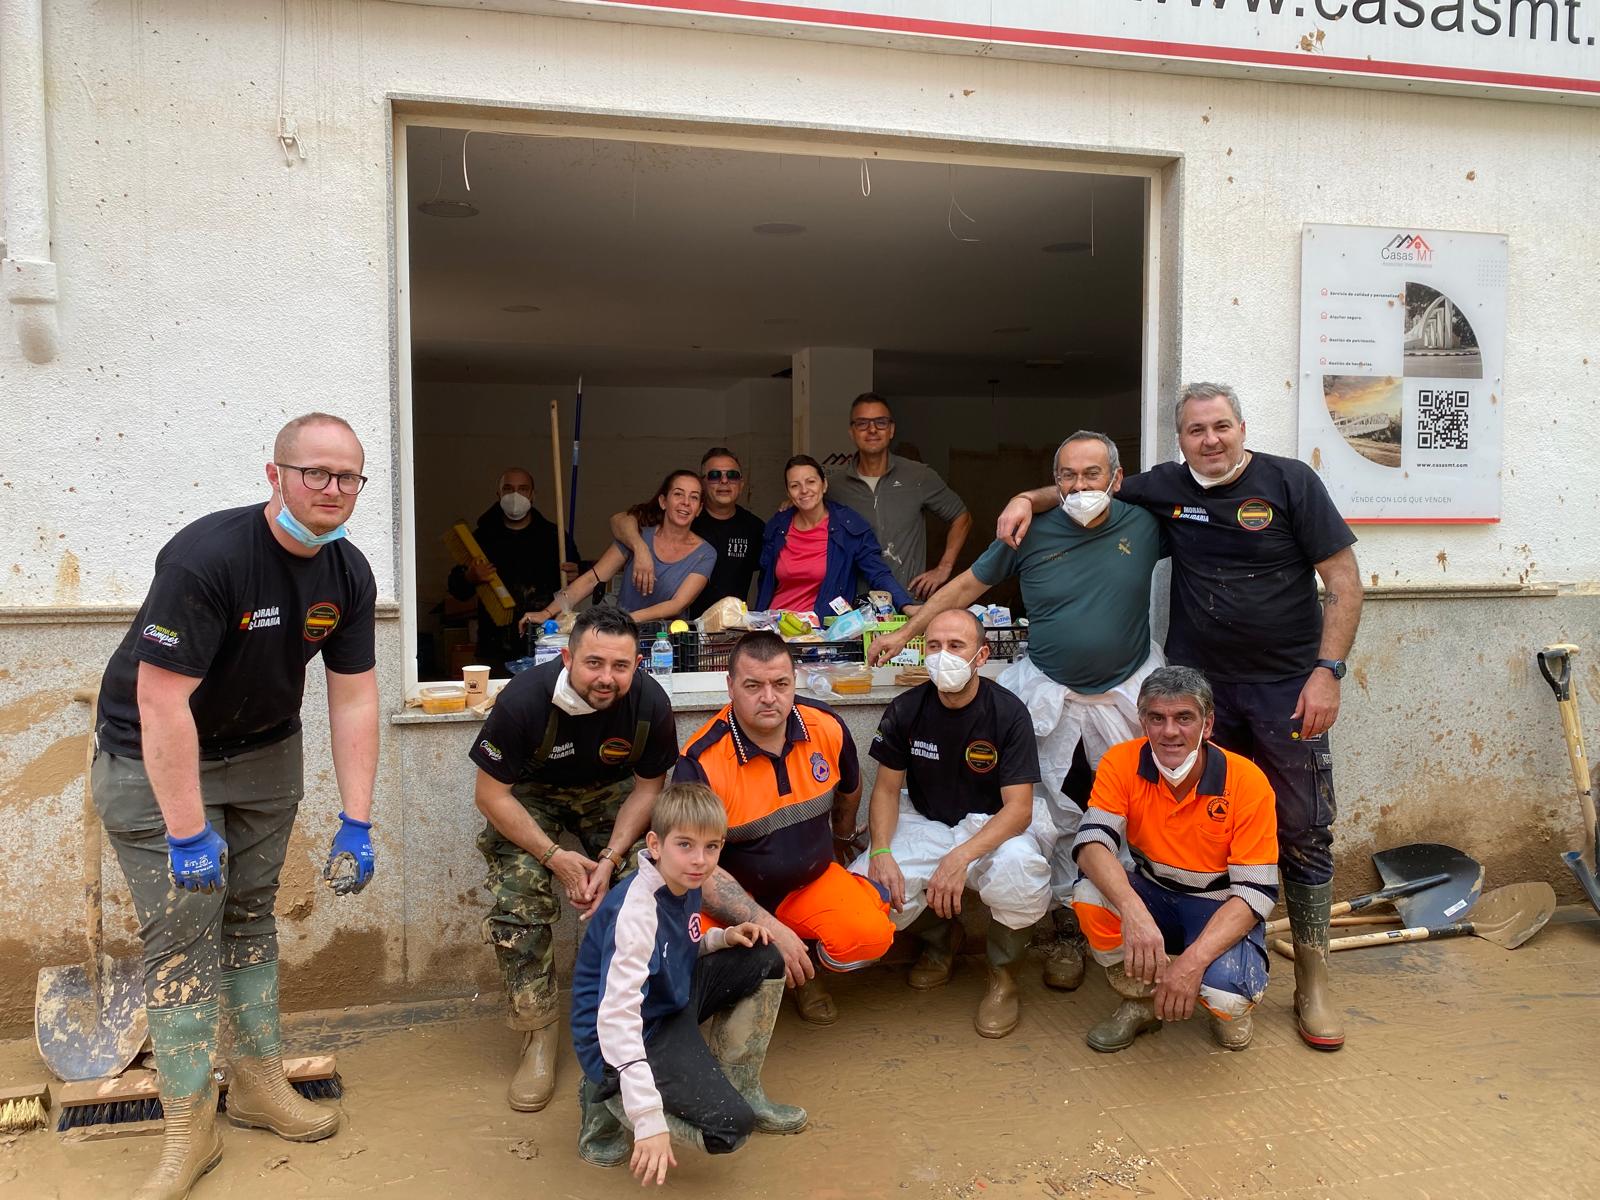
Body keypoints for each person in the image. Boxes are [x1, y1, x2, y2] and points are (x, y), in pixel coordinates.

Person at [996, 383, 1363, 1051]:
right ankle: (1152, 964)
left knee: (1304, 826)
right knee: (1169, 818)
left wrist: (1327, 672)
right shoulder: (1163, 487)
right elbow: (1088, 486)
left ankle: (1312, 980)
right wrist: (1029, 497)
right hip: (1198, 691)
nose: (1211, 439)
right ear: (1180, 439)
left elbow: (1343, 580)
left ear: (1242, 427)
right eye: (1196, 430)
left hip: (1287, 687)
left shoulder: (1291, 483)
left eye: (1221, 426)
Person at [92, 412, 379, 1200]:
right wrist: (186, 833)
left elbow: (353, 699)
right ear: (275, 475)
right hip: (154, 756)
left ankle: (255, 1084)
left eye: (347, 476)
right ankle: (191, 1128)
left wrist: (358, 817)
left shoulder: (348, 574)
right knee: (185, 932)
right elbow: (161, 702)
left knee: (249, 913)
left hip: (263, 754)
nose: (331, 489)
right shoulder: (207, 558)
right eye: (314, 472)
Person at [871, 431, 1167, 992]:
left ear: (1117, 478)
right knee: (1043, 817)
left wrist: (1028, 494)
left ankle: (1126, 924)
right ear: (1056, 482)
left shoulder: (1145, 523)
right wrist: (907, 632)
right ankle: (1060, 929)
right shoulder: (1026, 531)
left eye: (1092, 475)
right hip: (1048, 696)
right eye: (1067, 478)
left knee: (1128, 809)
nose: (1081, 487)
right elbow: (962, 588)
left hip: (1126, 698)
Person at [469, 605, 678, 1112]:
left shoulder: (650, 702)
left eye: (620, 666)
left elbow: (650, 788)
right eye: (593, 663)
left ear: (637, 665)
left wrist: (609, 857)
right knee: (519, 901)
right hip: (531, 798)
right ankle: (537, 1032)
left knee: (647, 884)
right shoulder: (524, 701)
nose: (606, 678)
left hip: (611, 794)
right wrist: (554, 856)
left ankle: (633, 1019)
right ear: (568, 658)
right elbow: (491, 796)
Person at [570, 782, 807, 1182]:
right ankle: (606, 1094)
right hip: (627, 1030)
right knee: (729, 1129)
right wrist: (648, 1121)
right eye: (685, 845)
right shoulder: (637, 911)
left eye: (712, 847)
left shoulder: (684, 881)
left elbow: (674, 947)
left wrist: (720, 939)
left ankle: (742, 1085)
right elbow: (617, 1017)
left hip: (668, 1000)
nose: (700, 860)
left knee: (765, 956)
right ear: (655, 844)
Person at [675, 631, 896, 1025]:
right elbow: (695, 869)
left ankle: (803, 967)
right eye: (753, 685)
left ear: (795, 681)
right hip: (733, 900)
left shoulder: (826, 726)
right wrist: (766, 925)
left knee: (870, 935)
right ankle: (774, 971)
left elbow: (849, 789)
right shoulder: (701, 760)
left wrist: (843, 840)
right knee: (688, 949)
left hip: (808, 882)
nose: (768, 697)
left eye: (780, 684)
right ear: (730, 687)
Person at [850, 609, 1051, 1038]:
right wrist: (882, 851)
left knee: (1022, 874)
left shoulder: (1008, 713)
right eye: (934, 646)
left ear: (982, 655)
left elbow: (1019, 809)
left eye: (956, 646)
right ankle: (941, 938)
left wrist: (959, 858)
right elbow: (885, 791)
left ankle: (1003, 978)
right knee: (864, 893)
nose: (943, 657)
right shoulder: (906, 708)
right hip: (924, 821)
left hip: (991, 829)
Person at [1070, 667, 1278, 1053]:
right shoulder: (1121, 762)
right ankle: (1141, 1001)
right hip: (1154, 894)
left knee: (1228, 998)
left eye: (1184, 718)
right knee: (1087, 894)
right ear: (1142, 721)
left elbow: (1255, 893)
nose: (1169, 732)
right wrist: (1133, 912)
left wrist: (1191, 964)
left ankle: (1218, 1002)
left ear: (1208, 724)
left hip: (1219, 906)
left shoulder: (1247, 781)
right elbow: (1091, 843)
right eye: (1157, 718)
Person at [521, 470, 715, 631]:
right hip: (621, 638)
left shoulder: (705, 553)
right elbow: (591, 579)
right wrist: (547, 613)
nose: (686, 503)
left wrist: (624, 619)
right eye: (678, 494)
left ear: (699, 509)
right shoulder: (637, 537)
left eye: (694, 497)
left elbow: (677, 604)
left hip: (665, 645)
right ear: (663, 502)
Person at [826, 393, 972, 599]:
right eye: (862, 423)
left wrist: (944, 568)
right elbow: (807, 518)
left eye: (881, 422)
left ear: (892, 429)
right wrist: (792, 505)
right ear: (851, 432)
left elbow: (962, 516)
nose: (872, 429)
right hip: (854, 609)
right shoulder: (834, 488)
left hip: (909, 604)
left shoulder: (919, 476)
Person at [447, 466, 581, 674]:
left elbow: (581, 584)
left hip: (546, 641)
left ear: (533, 495)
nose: (516, 495)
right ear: (499, 494)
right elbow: (457, 590)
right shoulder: (483, 537)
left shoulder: (553, 537)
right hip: (494, 644)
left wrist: (576, 574)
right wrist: (470, 577)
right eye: (509, 489)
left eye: (523, 489)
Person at [609, 447, 768, 619]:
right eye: (714, 475)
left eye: (732, 475)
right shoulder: (683, 514)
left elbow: (777, 573)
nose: (724, 481)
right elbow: (619, 520)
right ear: (703, 483)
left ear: (742, 484)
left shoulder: (755, 527)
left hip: (728, 629)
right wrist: (640, 548)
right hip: (680, 629)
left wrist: (794, 506)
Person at [755, 454, 918, 617]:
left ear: (824, 484)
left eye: (811, 482)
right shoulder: (778, 526)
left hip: (822, 632)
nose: (804, 490)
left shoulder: (848, 525)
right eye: (795, 485)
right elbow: (765, 583)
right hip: (774, 626)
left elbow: (878, 572)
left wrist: (905, 605)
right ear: (789, 493)